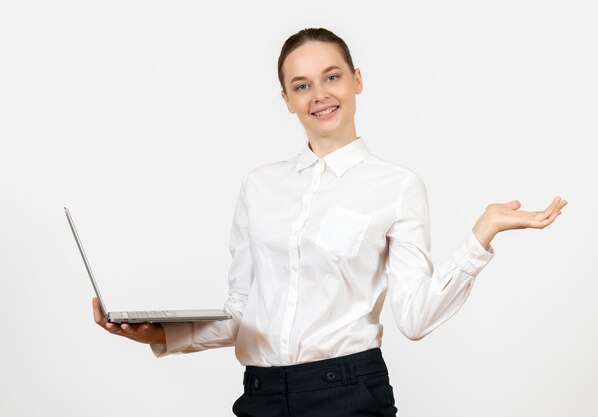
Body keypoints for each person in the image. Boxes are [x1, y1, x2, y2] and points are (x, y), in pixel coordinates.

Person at [92, 27, 568, 416]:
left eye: (332, 77)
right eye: (302, 85)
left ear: (357, 80)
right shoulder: (259, 187)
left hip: (348, 393)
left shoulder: (396, 186)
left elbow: (416, 319)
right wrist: (160, 335)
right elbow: (243, 313)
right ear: (286, 98)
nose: (319, 96)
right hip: (260, 396)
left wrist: (480, 235)